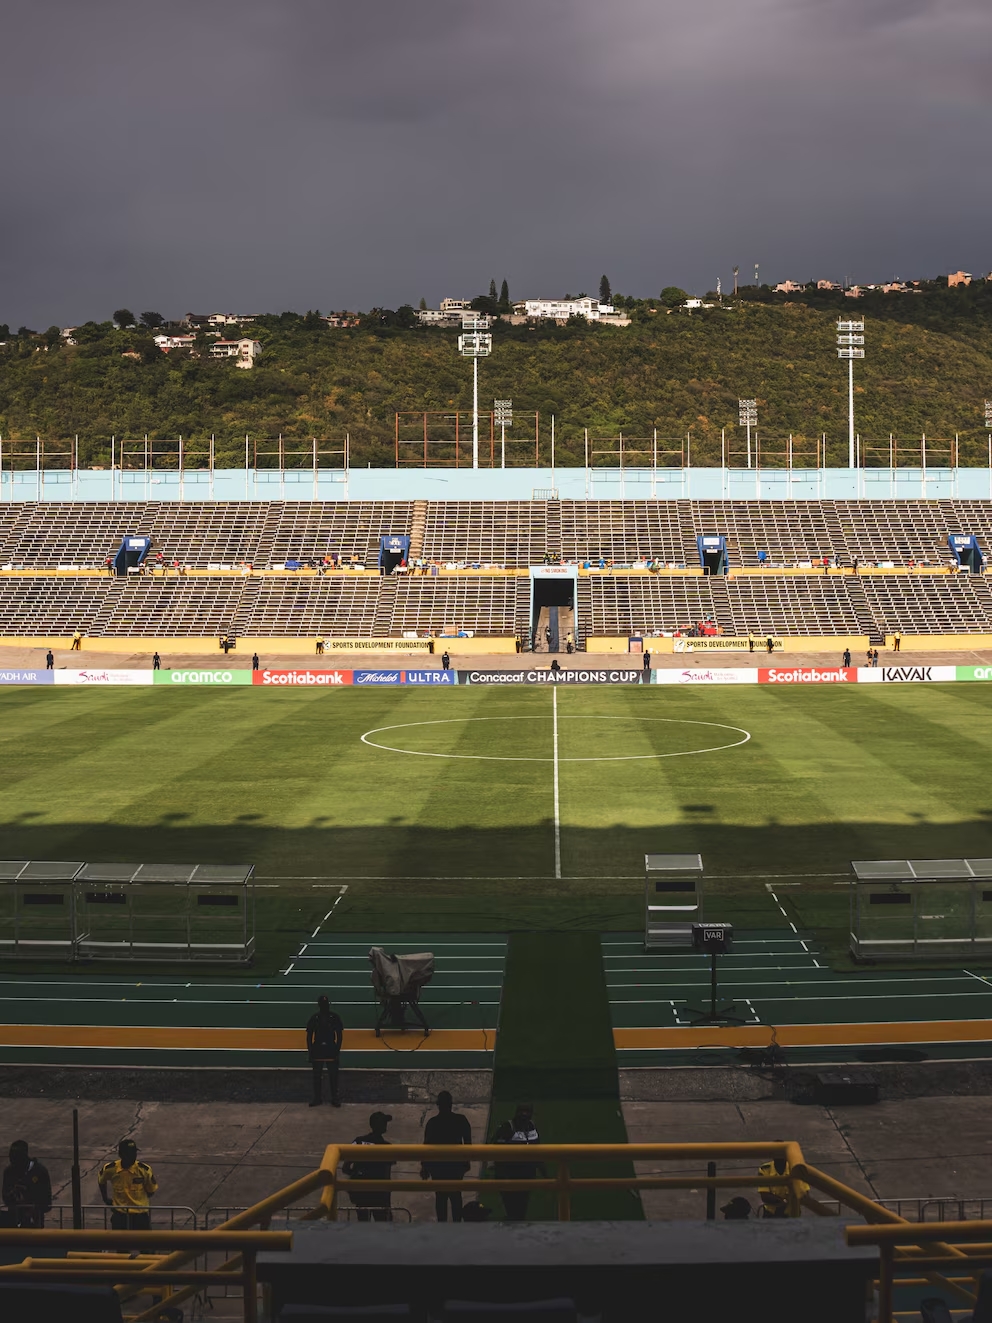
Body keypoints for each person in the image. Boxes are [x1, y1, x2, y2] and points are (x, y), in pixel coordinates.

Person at [422, 1091, 472, 1222]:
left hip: (438, 1166)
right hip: (455, 1165)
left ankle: (443, 1225)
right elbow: (468, 1143)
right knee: (455, 1196)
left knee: (441, 1197)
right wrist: (466, 1161)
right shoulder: (460, 1120)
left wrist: (425, 1166)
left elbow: (426, 1147)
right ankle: (455, 1224)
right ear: (451, 1104)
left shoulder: (433, 1123)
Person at [495, 1106, 545, 1222]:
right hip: (510, 1175)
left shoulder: (531, 1127)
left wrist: (544, 1173)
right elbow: (496, 1151)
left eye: (527, 1113)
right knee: (512, 1209)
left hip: (527, 1174)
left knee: (522, 1208)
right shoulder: (507, 1127)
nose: (524, 1115)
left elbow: (538, 1151)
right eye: (522, 1113)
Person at [344, 1113, 394, 1222]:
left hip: (361, 1193)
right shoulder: (387, 1147)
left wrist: (357, 1175)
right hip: (379, 1195)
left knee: (363, 1223)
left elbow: (345, 1167)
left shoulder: (358, 1141)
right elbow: (387, 1176)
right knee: (381, 1225)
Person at [98, 1139, 158, 1230]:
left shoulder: (144, 1170)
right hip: (120, 1216)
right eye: (129, 1154)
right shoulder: (110, 1169)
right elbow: (101, 1181)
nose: (133, 1157)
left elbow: (151, 1190)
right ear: (121, 1155)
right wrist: (105, 1198)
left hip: (140, 1216)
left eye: (134, 1153)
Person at [3, 1140, 52, 1227]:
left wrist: (32, 1206)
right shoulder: (9, 1172)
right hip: (13, 1221)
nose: (12, 1161)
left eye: (16, 1157)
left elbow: (47, 1202)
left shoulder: (40, 1171)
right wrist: (13, 1193)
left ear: (24, 1156)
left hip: (35, 1222)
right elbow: (5, 1197)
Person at [306, 994, 343, 1106]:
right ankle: (318, 1098)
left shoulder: (333, 1017)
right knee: (317, 1075)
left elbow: (339, 1035)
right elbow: (309, 1036)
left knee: (333, 1075)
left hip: (330, 1048)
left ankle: (334, 1098)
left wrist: (337, 1049)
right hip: (319, 1048)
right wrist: (311, 1051)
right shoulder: (316, 1018)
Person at [757, 1154, 808, 1219]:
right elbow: (764, 1196)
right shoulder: (765, 1169)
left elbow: (805, 1194)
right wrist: (787, 1201)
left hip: (792, 1214)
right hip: (771, 1214)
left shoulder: (796, 1169)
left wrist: (781, 1201)